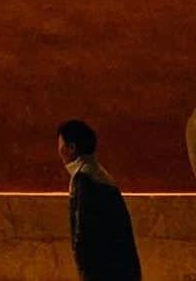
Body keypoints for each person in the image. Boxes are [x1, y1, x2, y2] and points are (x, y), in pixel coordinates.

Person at [57, 120, 142, 281]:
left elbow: (85, 234)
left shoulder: (84, 179)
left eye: (61, 145)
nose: (59, 151)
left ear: (72, 148)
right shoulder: (98, 174)